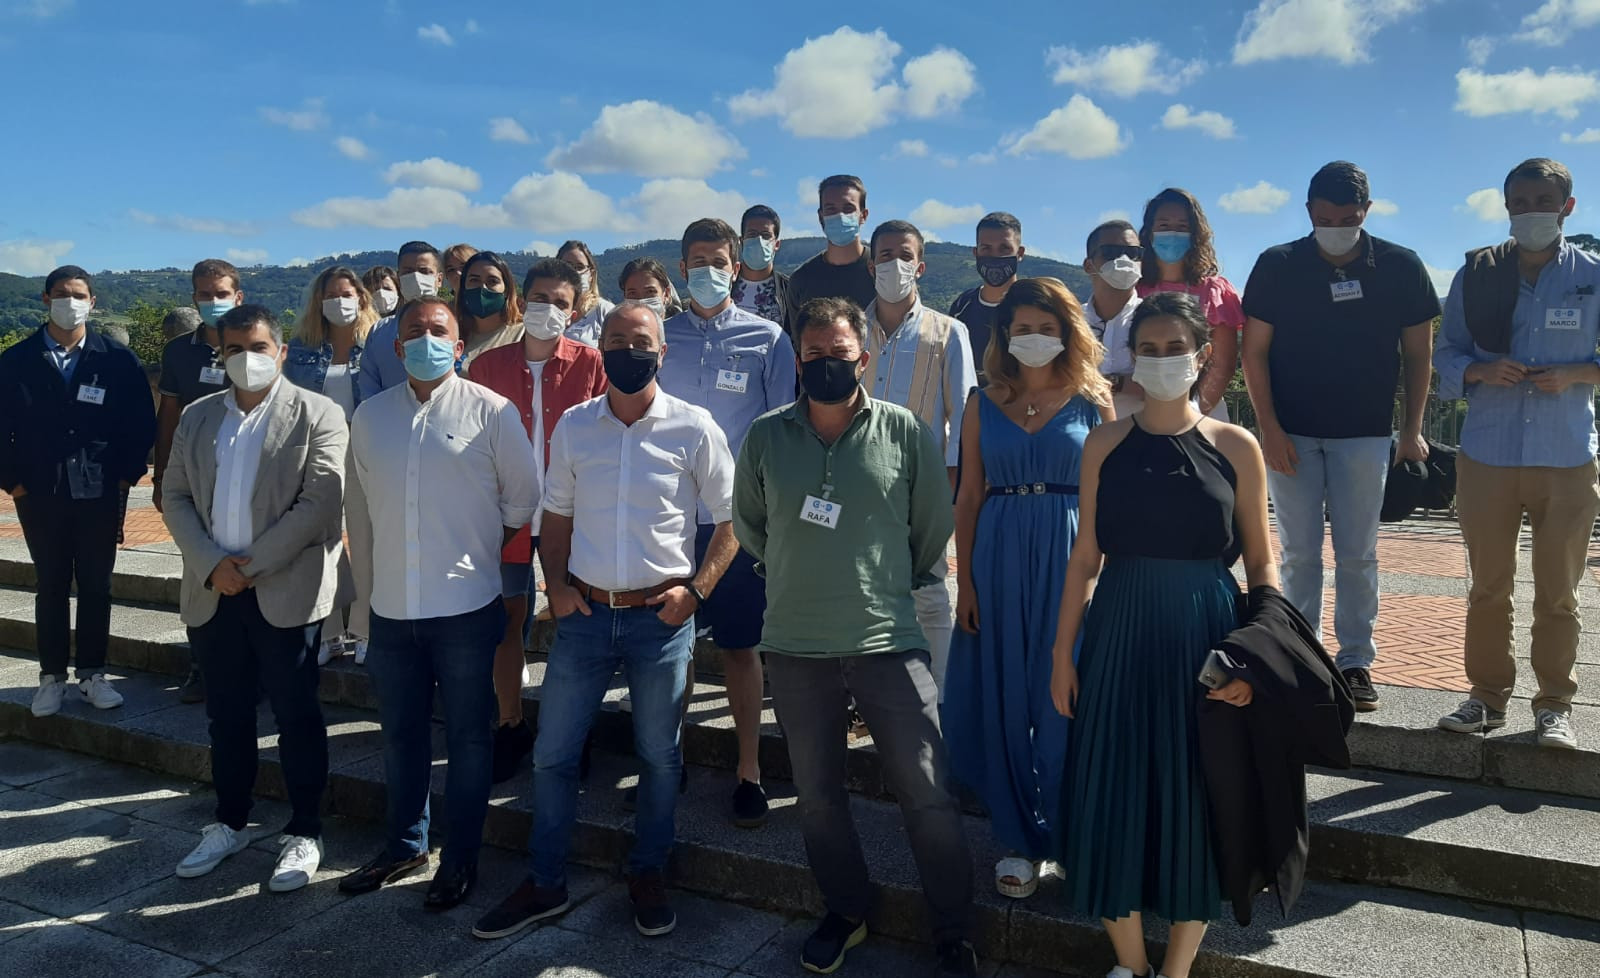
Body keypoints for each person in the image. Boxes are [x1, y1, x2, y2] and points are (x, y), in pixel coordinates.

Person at [473, 301, 737, 942]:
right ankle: (545, 881)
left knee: (659, 757)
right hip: (585, 615)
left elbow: (731, 522)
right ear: (601, 347)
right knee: (554, 754)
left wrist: (696, 595)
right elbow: (555, 516)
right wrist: (555, 586)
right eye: (615, 339)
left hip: (662, 620)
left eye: (639, 340)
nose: (626, 349)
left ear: (662, 351)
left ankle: (648, 874)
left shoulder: (694, 427)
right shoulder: (575, 425)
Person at [732, 297, 979, 977]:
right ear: (797, 360)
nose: (825, 366)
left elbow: (930, 530)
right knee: (817, 798)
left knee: (927, 792)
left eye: (838, 355)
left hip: (887, 639)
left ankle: (954, 928)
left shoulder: (903, 432)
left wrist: (883, 581)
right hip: (793, 644)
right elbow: (752, 527)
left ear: (862, 358)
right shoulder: (765, 436)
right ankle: (846, 910)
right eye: (812, 356)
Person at [1050, 291, 1276, 978]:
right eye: (1147, 349)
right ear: (1131, 359)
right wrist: (1063, 654)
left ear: (1204, 355)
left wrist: (1258, 659)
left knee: (1197, 793)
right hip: (1118, 629)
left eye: (1175, 347)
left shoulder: (1236, 446)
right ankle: (1130, 966)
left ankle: (1175, 970)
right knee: (1109, 787)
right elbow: (1085, 556)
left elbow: (1263, 561)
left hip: (1206, 631)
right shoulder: (1104, 443)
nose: (1161, 359)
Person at [339, 296, 540, 909]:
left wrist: (474, 551)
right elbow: (360, 513)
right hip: (392, 609)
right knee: (399, 735)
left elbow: (521, 502)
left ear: (458, 346)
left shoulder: (493, 412)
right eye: (414, 332)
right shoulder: (370, 418)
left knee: (469, 739)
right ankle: (405, 844)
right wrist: (361, 603)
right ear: (397, 348)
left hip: (465, 607)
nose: (427, 339)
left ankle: (460, 859)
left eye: (439, 331)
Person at [160, 303, 347, 893]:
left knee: (297, 715)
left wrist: (252, 565)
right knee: (227, 716)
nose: (247, 360)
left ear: (282, 350)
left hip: (284, 590)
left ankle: (305, 830)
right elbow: (175, 496)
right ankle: (230, 821)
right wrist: (214, 565)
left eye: (258, 348)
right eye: (233, 350)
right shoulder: (197, 416)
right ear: (220, 354)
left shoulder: (319, 413)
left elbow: (319, 505)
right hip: (214, 589)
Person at [1241, 162, 1440, 713]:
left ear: (1367, 212)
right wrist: (1270, 429)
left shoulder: (1400, 265)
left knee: (1358, 554)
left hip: (1365, 435)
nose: (1337, 227)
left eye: (1349, 219)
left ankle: (1355, 661)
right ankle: (1303, 655)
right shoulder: (1277, 264)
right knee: (1300, 554)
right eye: (1326, 218)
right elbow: (1252, 353)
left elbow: (1419, 355)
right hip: (1293, 434)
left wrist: (1412, 431)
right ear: (1308, 212)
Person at [942, 278, 1112, 900]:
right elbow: (968, 496)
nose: (1034, 338)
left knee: (1065, 694)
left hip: (1073, 555)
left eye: (1047, 327)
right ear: (1004, 336)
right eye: (1023, 328)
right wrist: (966, 581)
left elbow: (1112, 499)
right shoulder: (982, 402)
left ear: (1066, 333)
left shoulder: (1095, 400)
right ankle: (1017, 836)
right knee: (1007, 694)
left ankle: (1067, 833)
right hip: (998, 554)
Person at [1433, 157, 1600, 750]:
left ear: (1568, 208)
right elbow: (1443, 355)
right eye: (1519, 203)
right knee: (1488, 587)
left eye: (1542, 201)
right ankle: (1485, 698)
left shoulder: (1592, 275)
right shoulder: (1478, 273)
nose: (1530, 212)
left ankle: (1555, 705)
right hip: (1488, 455)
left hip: (1567, 456)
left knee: (1559, 591)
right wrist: (1478, 369)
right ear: (1507, 208)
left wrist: (1579, 371)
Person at [655, 217, 797, 827]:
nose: (707, 271)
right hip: (665, 519)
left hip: (737, 525)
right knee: (671, 648)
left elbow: (783, 432)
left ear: (736, 267)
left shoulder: (768, 339)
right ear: (681, 267)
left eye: (719, 261)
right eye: (696, 261)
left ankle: (749, 771)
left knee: (741, 649)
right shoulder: (660, 339)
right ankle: (667, 759)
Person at [467, 258, 608, 784]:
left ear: (575, 312)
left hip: (571, 513)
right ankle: (510, 723)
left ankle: (577, 727)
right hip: (503, 512)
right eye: (541, 299)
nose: (550, 310)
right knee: (507, 619)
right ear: (522, 302)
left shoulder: (591, 363)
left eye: (562, 303)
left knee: (577, 623)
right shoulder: (486, 367)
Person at [0, 265, 156, 718]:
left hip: (100, 488)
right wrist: (14, 481)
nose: (72, 302)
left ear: (93, 302)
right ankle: (51, 677)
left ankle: (92, 673)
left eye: (80, 294)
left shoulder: (116, 359)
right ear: (45, 299)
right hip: (39, 490)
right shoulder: (16, 360)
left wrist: (126, 475)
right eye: (62, 294)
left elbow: (139, 423)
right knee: (49, 583)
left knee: (96, 583)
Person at [863, 219, 977, 695]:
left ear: (921, 266)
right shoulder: (850, 328)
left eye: (904, 255)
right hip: (857, 483)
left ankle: (942, 700)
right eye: (885, 255)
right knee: (863, 590)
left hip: (920, 488)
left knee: (929, 598)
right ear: (870, 265)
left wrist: (949, 494)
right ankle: (872, 695)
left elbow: (964, 416)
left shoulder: (948, 332)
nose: (895, 264)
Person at [284, 264, 380, 665]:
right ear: (317, 303)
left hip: (364, 449)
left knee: (365, 540)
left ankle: (364, 629)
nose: (339, 302)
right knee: (319, 543)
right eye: (330, 296)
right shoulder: (301, 349)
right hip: (319, 452)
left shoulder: (375, 343)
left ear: (361, 297)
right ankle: (327, 630)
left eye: (346, 294)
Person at [1137, 188, 1243, 420]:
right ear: (1149, 232)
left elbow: (1222, 365)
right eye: (1164, 225)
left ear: (1196, 234)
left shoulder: (1215, 292)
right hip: (1139, 411)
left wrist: (1193, 412)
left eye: (1182, 226)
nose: (1172, 232)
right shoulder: (1134, 289)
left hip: (1204, 414)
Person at [784, 175, 877, 332]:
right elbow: (796, 343)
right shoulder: (801, 279)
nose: (840, 216)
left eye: (848, 208)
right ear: (821, 217)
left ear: (863, 215)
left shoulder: (882, 270)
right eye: (831, 209)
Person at [357, 240, 444, 400]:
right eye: (408, 271)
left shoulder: (456, 326)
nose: (416, 277)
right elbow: (368, 385)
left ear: (439, 279)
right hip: (388, 420)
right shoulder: (379, 331)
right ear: (399, 277)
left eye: (424, 271)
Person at [948, 212, 1026, 385]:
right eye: (986, 249)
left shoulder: (1034, 305)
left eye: (1004, 248)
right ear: (976, 253)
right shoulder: (961, 307)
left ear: (1020, 253)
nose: (995, 256)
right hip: (972, 409)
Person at [1082, 219, 1146, 419]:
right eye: (1111, 252)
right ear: (1088, 265)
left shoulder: (1157, 318)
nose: (1125, 259)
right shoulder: (1070, 321)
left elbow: (1167, 381)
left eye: (1134, 253)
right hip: (1083, 439)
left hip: (1143, 437)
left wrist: (1105, 381)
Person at [456, 250, 525, 370]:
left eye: (492, 281)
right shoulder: (453, 336)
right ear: (463, 288)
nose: (482, 287)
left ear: (507, 290)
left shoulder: (524, 334)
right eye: (474, 280)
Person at [731, 204, 792, 332]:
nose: (758, 240)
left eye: (766, 235)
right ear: (741, 241)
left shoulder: (790, 290)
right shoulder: (724, 286)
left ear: (777, 244)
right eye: (752, 234)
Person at [559, 240, 616, 346]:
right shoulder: (548, 310)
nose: (574, 272)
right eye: (567, 266)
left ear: (591, 274)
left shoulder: (605, 311)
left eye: (580, 267)